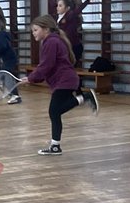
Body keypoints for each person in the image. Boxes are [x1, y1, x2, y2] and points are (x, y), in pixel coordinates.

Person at [20, 14, 98, 154]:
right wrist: (32, 78)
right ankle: (55, 145)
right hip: (66, 80)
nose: (33, 33)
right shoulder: (53, 41)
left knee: (54, 112)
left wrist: (31, 78)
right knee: (55, 112)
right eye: (33, 31)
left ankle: (84, 97)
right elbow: (47, 67)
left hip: (65, 81)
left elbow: (46, 65)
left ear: (46, 29)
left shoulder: (51, 42)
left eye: (36, 30)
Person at [45, 0, 96, 65]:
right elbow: (53, 5)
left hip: (74, 47)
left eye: (60, 6)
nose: (57, 7)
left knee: (68, 67)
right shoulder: (58, 16)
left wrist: (88, 0)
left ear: (67, 8)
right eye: (58, 5)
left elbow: (79, 9)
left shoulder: (70, 16)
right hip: (66, 46)